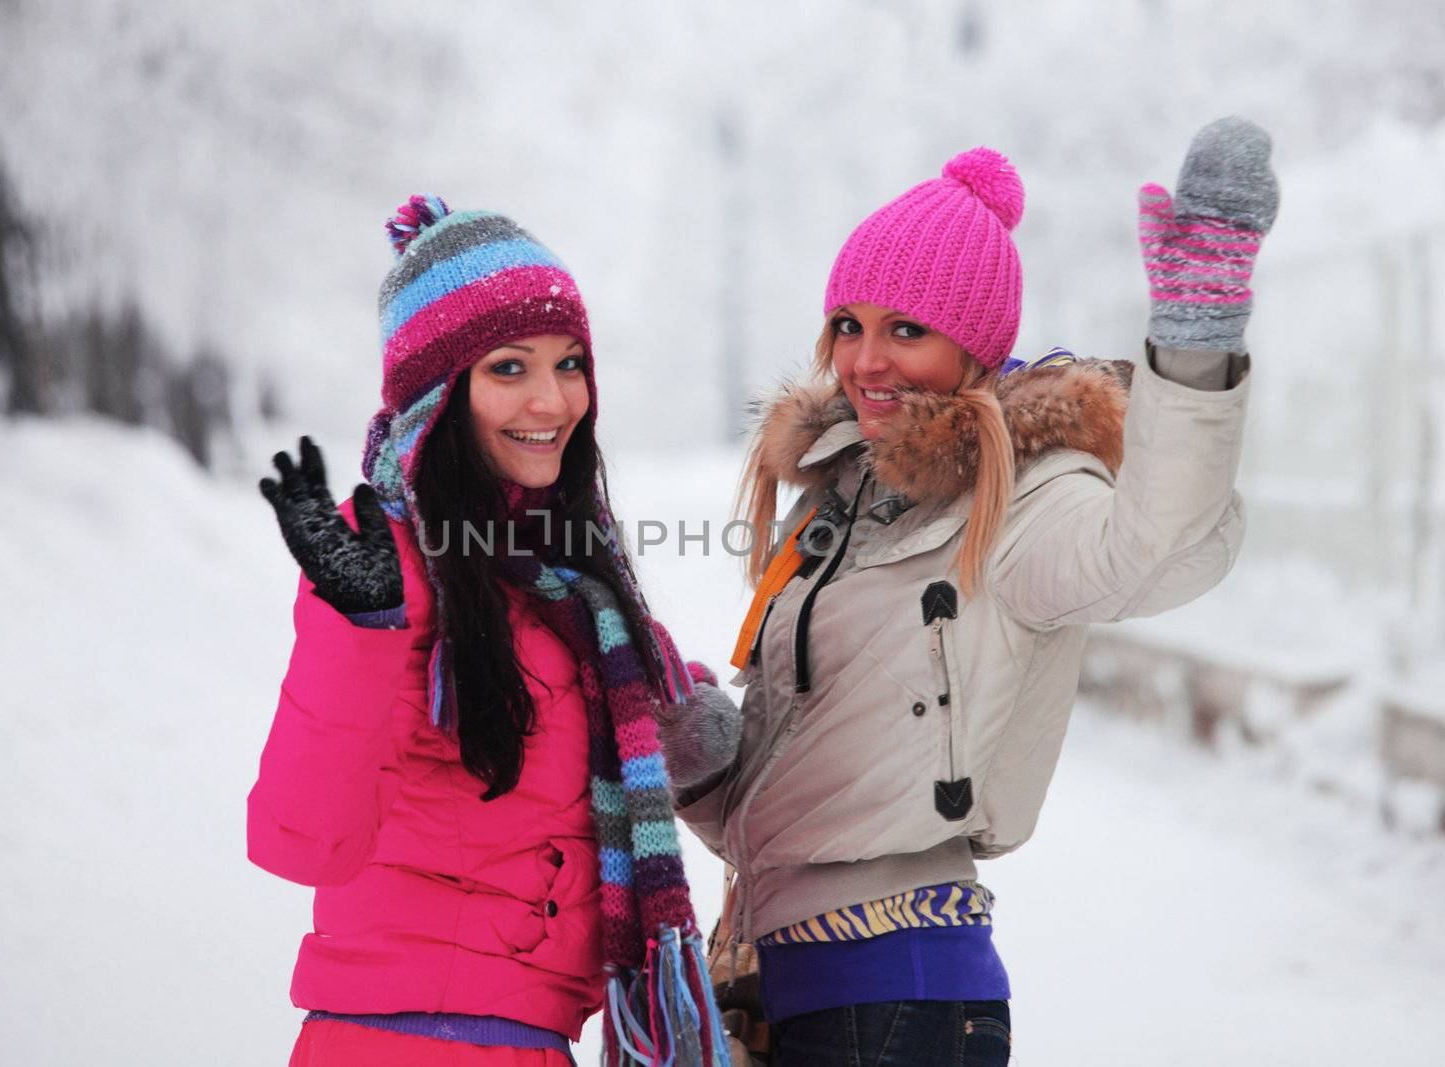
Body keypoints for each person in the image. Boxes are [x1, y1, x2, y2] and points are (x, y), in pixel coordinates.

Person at [661, 119, 1279, 1065]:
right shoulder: (840, 498)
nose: (867, 360)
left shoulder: (1021, 498)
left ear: (975, 346)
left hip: (894, 994)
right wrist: (714, 781)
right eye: (850, 326)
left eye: (907, 329)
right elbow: (844, 778)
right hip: (787, 986)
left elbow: (1156, 545)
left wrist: (1194, 352)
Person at [250, 195, 734, 1066]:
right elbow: (301, 836)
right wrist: (356, 624)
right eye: (508, 367)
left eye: (570, 363)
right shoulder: (392, 571)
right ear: (438, 396)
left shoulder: (573, 598)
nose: (552, 399)